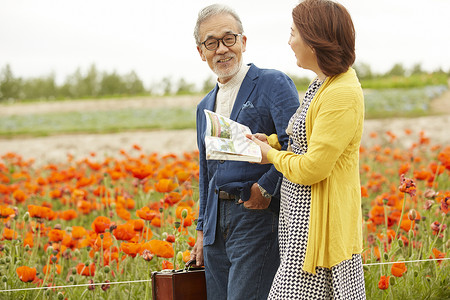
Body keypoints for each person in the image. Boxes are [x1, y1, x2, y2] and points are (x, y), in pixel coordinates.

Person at [248, 0, 366, 298]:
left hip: (316, 227)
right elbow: (305, 142)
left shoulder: (341, 93)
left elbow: (314, 167)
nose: (289, 42)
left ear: (314, 40)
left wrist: (271, 156)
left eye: (293, 33)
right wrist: (271, 142)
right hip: (300, 220)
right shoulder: (322, 83)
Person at [190, 4, 300, 300]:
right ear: (201, 51)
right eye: (211, 43)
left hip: (254, 215)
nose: (222, 50)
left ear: (243, 42)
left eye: (229, 39)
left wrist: (264, 190)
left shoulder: (272, 83)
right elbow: (206, 170)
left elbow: (296, 144)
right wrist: (202, 229)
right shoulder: (204, 106)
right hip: (215, 222)